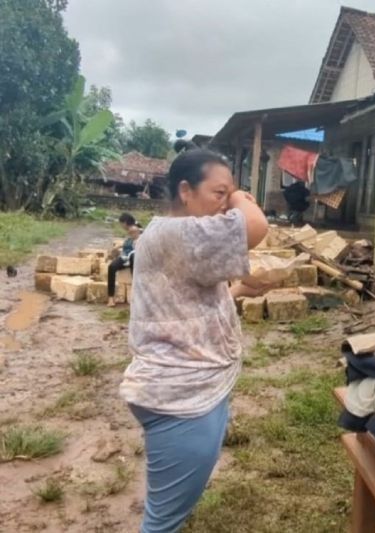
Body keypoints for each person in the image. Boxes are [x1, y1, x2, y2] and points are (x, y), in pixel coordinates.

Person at [119, 148, 269, 533]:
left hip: (193, 389)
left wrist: (236, 293)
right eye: (218, 193)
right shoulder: (176, 232)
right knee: (162, 523)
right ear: (186, 191)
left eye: (227, 195)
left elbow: (185, 307)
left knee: (170, 512)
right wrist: (241, 198)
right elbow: (255, 227)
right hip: (181, 399)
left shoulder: (179, 238)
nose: (225, 205)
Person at [107, 213, 142, 307]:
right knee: (112, 267)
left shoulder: (134, 229)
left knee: (132, 260)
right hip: (125, 256)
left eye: (121, 224)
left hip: (134, 255)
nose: (121, 226)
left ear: (125, 223)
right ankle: (110, 298)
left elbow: (133, 244)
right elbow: (127, 243)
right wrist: (116, 248)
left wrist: (117, 247)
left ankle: (136, 297)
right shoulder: (132, 229)